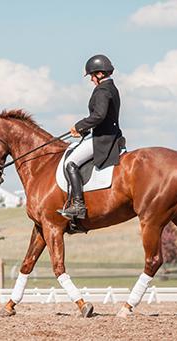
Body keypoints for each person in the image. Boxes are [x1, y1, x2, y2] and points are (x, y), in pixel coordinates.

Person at [59, 54, 122, 220]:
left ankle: (78, 204)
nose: (91, 80)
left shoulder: (102, 90)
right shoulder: (112, 88)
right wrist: (84, 130)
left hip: (103, 138)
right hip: (109, 133)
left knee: (70, 162)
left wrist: (79, 126)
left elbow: (99, 115)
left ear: (100, 74)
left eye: (92, 76)